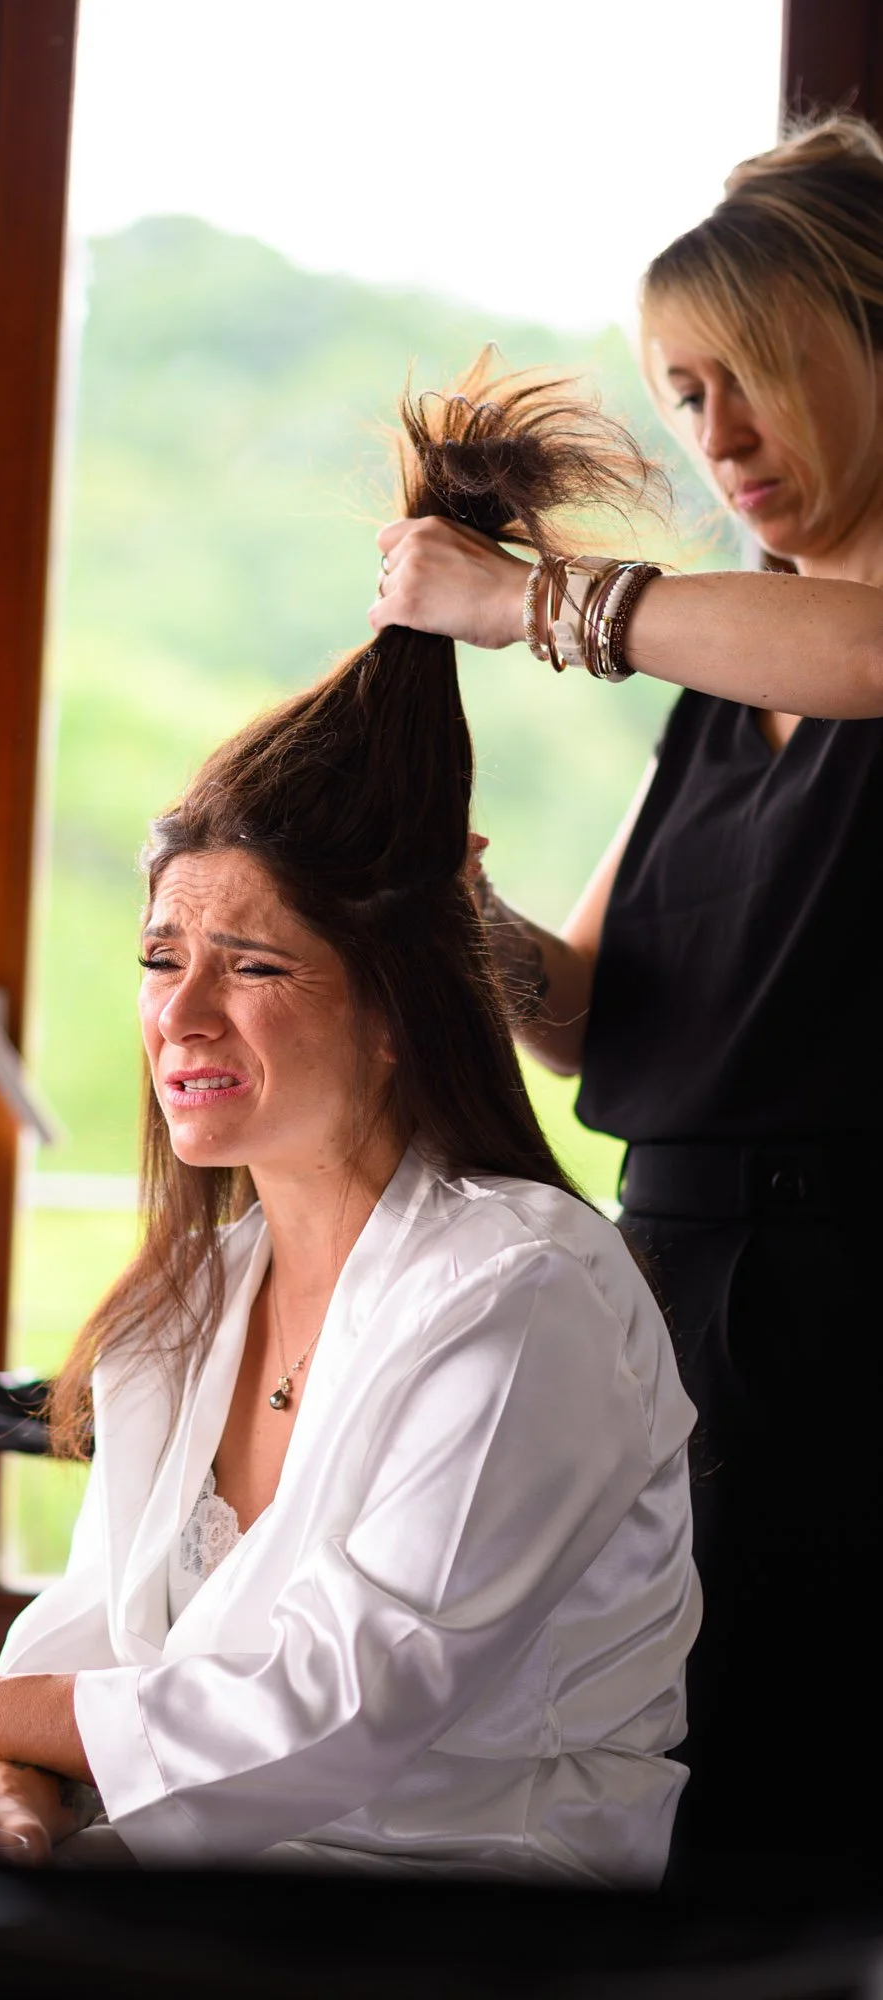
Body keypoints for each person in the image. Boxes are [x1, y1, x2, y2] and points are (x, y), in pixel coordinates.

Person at [0, 370, 697, 1885]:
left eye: (255, 965)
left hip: (446, 1896)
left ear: (400, 1001)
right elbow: (96, 1634)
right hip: (190, 1865)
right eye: (162, 960)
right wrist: (10, 1790)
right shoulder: (203, 1292)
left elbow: (349, 1701)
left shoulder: (523, 1291)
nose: (182, 1019)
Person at [371, 114, 883, 1868]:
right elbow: (582, 1012)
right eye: (680, 394)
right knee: (657, 1784)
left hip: (849, 1318)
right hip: (661, 1294)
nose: (714, 437)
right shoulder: (723, 686)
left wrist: (536, 608)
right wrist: (458, 907)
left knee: (808, 1800)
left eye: (752, 379)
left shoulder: (829, 648)